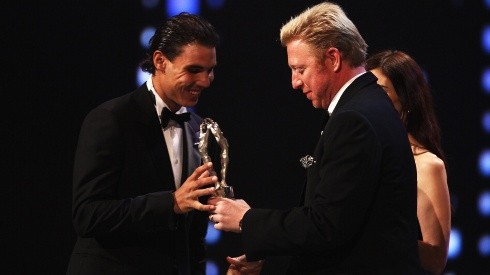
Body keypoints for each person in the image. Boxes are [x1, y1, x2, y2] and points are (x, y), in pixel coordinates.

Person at [208, 2, 424, 274]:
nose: (294, 82)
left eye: (300, 69)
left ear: (333, 59)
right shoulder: (370, 103)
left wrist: (246, 219)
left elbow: (326, 225)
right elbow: (348, 225)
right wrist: (271, 262)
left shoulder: (353, 119)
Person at [67, 12, 220, 275]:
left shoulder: (200, 129)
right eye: (194, 70)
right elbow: (87, 215)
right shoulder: (110, 119)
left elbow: (193, 236)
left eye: (210, 71)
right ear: (160, 61)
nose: (205, 81)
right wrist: (170, 202)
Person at [366, 50, 451, 274]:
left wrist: (372, 236)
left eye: (382, 93)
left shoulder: (427, 165)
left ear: (406, 101)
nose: (371, 102)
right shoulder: (365, 156)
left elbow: (435, 258)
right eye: (368, 92)